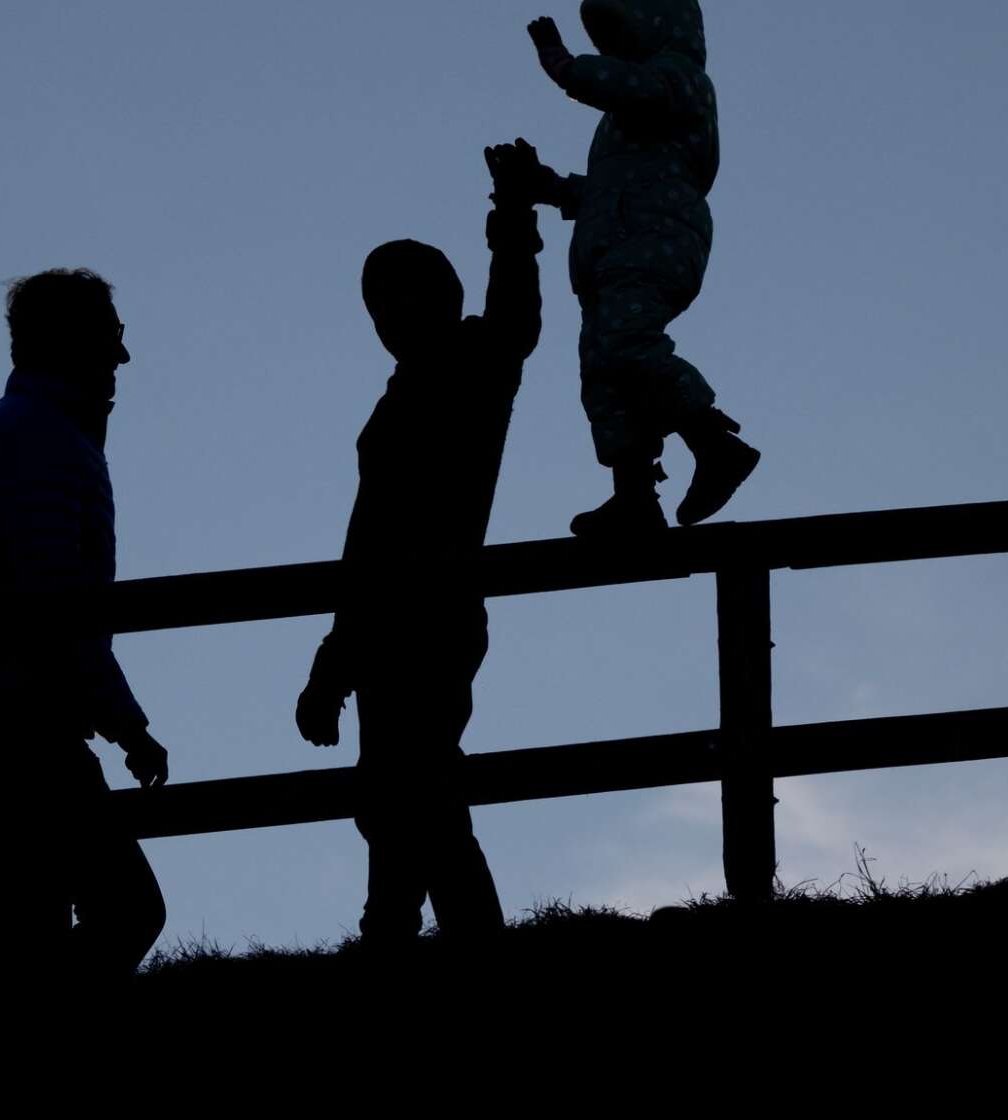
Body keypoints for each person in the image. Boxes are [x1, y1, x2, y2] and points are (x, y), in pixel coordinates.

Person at [294, 143, 549, 947]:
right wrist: (335, 662)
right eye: (378, 304)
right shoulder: (401, 395)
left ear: (443, 299)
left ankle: (423, 936)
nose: (390, 315)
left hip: (429, 620)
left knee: (413, 798)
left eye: (405, 297)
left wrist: (512, 216)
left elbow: (515, 321)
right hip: (387, 625)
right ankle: (399, 932)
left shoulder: (474, 363)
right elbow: (365, 536)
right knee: (400, 798)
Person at [0, 269, 169, 1003]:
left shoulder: (31, 431)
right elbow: (56, 599)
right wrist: (125, 722)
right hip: (13, 707)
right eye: (111, 337)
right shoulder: (41, 439)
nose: (122, 358)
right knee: (121, 908)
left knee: (23, 920)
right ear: (74, 342)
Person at [522, 1, 759, 535]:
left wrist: (565, 66)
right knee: (603, 369)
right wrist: (551, 188)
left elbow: (632, 87)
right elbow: (608, 188)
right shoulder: (626, 119)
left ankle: (715, 444)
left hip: (656, 237)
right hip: (614, 246)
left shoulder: (681, 81)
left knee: (627, 345)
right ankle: (633, 495)